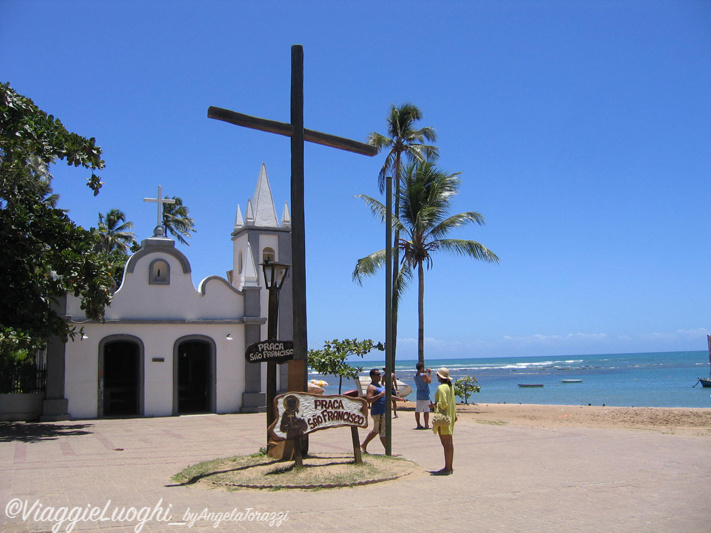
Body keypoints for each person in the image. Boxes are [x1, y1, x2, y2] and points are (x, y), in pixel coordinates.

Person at [361, 368, 406, 453]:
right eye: (378, 375)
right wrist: (379, 396)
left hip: (383, 411)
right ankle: (388, 451)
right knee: (381, 432)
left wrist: (398, 399)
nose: (380, 376)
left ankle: (363, 446)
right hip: (378, 412)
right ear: (372, 376)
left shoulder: (381, 386)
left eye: (380, 374)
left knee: (377, 430)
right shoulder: (371, 387)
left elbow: (387, 396)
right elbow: (369, 400)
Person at [430, 367, 456, 475]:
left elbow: (443, 403)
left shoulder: (441, 388)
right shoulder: (450, 387)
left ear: (440, 377)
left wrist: (434, 405)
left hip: (443, 418)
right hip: (450, 416)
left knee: (445, 444)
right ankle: (449, 466)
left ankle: (447, 468)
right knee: (449, 443)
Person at [414, 363, 432, 429]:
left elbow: (421, 376)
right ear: (421, 368)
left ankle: (418, 424)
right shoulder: (424, 375)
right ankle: (426, 425)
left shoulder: (415, 376)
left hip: (419, 394)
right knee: (426, 410)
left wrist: (425, 372)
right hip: (425, 394)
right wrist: (429, 373)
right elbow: (429, 381)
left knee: (418, 410)